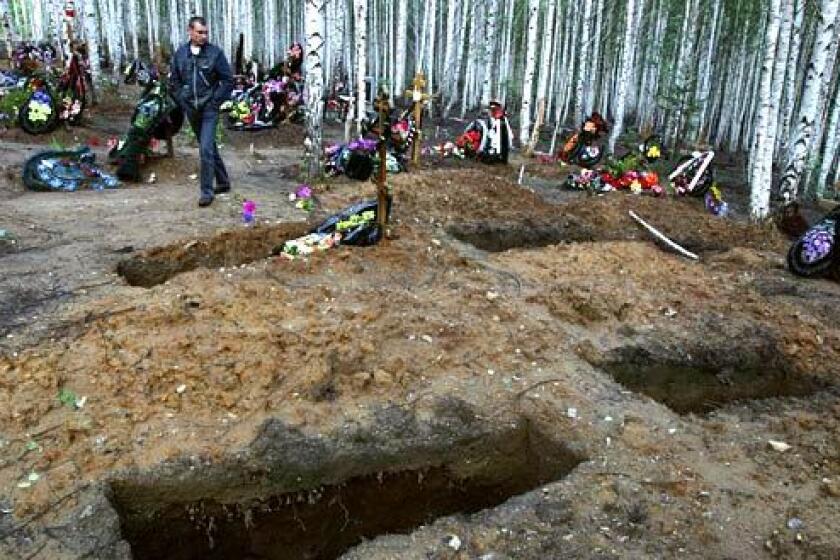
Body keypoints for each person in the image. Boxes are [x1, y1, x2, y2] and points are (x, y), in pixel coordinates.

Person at [169, 16, 234, 207]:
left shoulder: (215, 54)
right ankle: (223, 181)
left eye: (206, 32)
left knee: (205, 148)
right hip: (191, 109)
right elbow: (173, 82)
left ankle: (206, 191)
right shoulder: (180, 54)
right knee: (209, 147)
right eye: (199, 32)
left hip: (209, 109)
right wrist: (182, 100)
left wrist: (215, 101)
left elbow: (227, 80)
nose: (203, 36)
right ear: (190, 31)